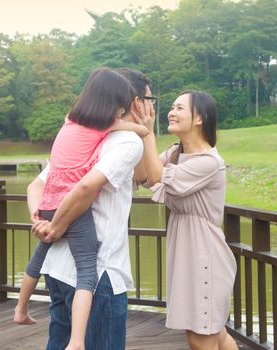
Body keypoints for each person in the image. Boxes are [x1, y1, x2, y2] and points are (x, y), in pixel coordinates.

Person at [13, 68, 148, 350]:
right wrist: (56, 226)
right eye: (149, 99)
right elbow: (86, 187)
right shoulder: (125, 141)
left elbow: (35, 187)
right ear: (132, 102)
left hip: (57, 269)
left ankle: (21, 309)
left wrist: (41, 217)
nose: (152, 105)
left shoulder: (76, 135)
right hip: (99, 275)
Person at [141, 90, 238, 350]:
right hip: (187, 250)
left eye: (180, 108)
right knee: (215, 333)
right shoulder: (175, 152)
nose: (171, 112)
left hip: (204, 254)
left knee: (200, 336)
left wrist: (148, 133)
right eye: (172, 107)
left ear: (200, 118)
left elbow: (158, 176)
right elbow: (145, 175)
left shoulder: (209, 161)